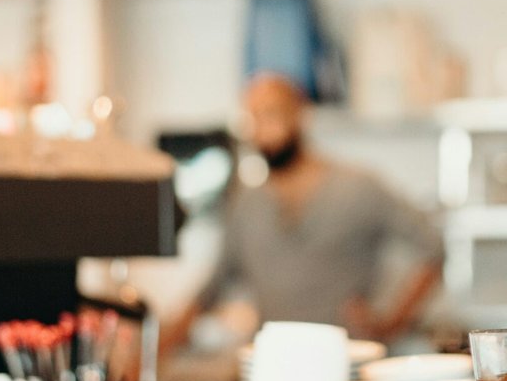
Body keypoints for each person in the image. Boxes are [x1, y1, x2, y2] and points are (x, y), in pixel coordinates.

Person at [163, 73, 444, 350]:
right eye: (253, 118)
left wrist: (391, 323)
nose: (263, 129)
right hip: (275, 366)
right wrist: (155, 351)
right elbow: (209, 291)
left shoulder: (359, 188)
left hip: (348, 363)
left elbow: (434, 249)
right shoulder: (245, 205)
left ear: (301, 114)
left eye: (272, 113)